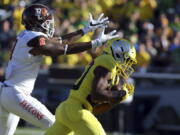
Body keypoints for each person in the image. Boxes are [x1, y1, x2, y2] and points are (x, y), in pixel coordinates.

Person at [0, 3, 119, 135]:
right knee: (57, 127)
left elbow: (62, 41)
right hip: (16, 94)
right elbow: (63, 49)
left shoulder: (27, 35)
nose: (49, 24)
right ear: (36, 21)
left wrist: (85, 30)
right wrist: (95, 43)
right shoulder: (33, 38)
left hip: (7, 93)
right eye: (46, 21)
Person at [44, 38, 137, 135]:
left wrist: (117, 99)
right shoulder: (108, 61)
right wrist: (121, 93)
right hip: (77, 110)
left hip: (67, 109)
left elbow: (95, 110)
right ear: (118, 53)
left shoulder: (106, 65)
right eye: (127, 60)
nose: (126, 65)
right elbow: (96, 94)